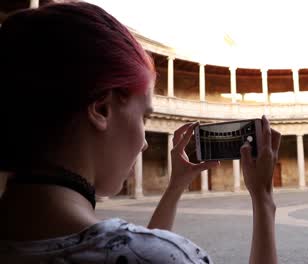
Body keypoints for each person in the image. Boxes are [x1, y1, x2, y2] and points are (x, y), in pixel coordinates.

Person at [0, 2, 281, 264]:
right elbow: (141, 253)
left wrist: (174, 188)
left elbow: (131, 250)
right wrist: (263, 200)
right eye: (144, 117)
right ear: (102, 110)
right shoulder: (168, 256)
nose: (145, 143)